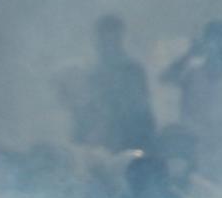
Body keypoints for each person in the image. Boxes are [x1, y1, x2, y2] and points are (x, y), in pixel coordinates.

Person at [160, 20, 222, 184]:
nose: (219, 47)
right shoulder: (191, 72)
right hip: (193, 152)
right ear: (206, 43)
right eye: (214, 40)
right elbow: (165, 78)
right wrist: (189, 54)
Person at [62, 15, 155, 153]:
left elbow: (141, 107)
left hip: (130, 140)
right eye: (105, 40)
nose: (109, 45)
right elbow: (83, 111)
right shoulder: (91, 73)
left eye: (113, 40)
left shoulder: (133, 70)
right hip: (97, 145)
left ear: (120, 40)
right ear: (98, 41)